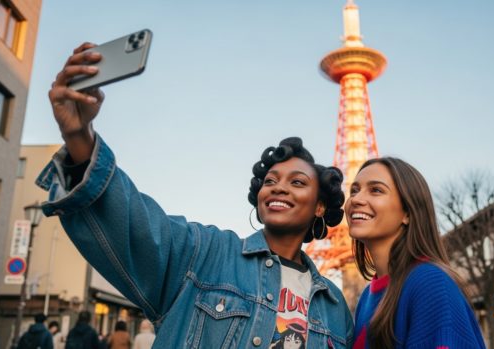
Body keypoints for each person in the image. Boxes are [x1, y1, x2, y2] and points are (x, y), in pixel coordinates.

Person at [37, 42, 353, 348]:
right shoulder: (204, 254)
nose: (279, 187)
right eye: (270, 181)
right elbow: (133, 224)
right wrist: (79, 135)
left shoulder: (336, 309)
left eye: (297, 182)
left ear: (320, 206)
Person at [346, 157, 486, 349]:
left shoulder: (430, 282)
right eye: (354, 190)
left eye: (376, 190)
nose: (356, 199)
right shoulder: (367, 298)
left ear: (407, 213)